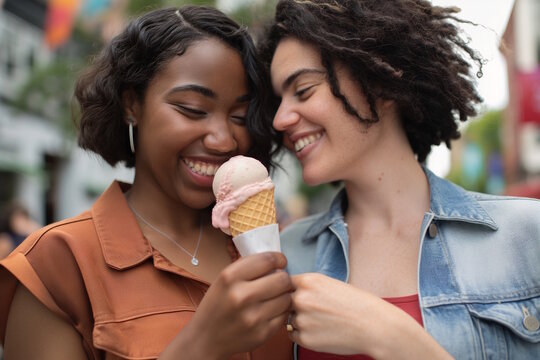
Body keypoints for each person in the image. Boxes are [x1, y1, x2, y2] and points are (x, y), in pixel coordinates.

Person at [0, 6, 293, 359]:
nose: (223, 140)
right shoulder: (57, 263)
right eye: (192, 109)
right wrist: (197, 347)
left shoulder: (270, 246)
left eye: (240, 117)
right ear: (131, 104)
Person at [257, 0, 540, 359]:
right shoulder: (287, 252)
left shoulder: (528, 235)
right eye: (278, 100)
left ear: (382, 81)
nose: (280, 119)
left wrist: (387, 334)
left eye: (303, 90)